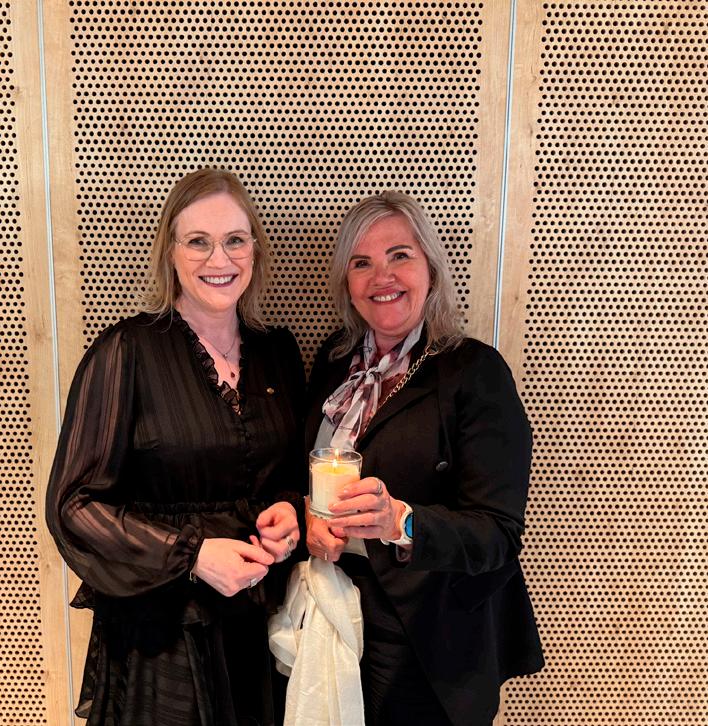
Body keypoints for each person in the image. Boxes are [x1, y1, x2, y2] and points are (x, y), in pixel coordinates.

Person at [46, 168, 305, 726]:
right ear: (170, 251)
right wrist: (193, 556)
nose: (220, 259)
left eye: (235, 240)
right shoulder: (126, 353)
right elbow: (73, 506)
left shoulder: (277, 353)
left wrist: (289, 514)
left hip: (259, 628)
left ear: (255, 249)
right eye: (198, 241)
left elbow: (287, 475)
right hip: (163, 634)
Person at [304, 191, 544, 725]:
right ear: (346, 282)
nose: (381, 276)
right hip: (336, 612)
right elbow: (307, 467)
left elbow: (498, 534)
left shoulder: (474, 372)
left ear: (430, 268)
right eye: (361, 263)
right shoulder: (334, 361)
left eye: (400, 255)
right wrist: (309, 517)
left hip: (428, 634)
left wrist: (401, 521)